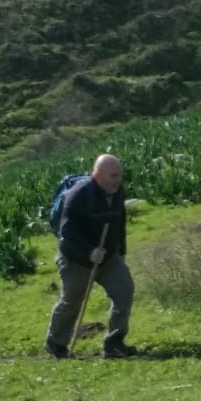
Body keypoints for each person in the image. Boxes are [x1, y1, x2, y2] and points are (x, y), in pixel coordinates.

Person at [44, 154, 136, 360]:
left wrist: (120, 253)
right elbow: (67, 232)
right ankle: (55, 343)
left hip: (108, 256)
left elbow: (119, 223)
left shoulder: (117, 193)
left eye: (119, 175)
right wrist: (89, 252)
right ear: (98, 176)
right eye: (113, 175)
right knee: (71, 302)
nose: (117, 180)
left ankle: (114, 343)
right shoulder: (78, 195)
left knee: (124, 290)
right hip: (75, 258)